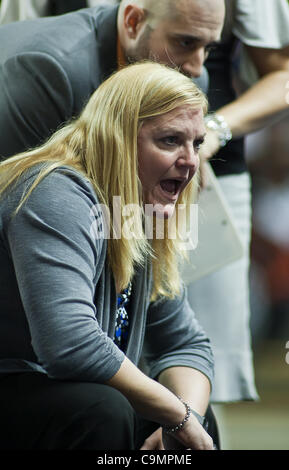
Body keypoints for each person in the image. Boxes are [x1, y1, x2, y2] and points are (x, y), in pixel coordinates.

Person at [0, 61, 216, 451]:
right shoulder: (54, 192)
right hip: (17, 384)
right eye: (170, 141)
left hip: (57, 395)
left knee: (191, 416)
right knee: (104, 408)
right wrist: (178, 416)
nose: (190, 162)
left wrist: (188, 418)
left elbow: (185, 345)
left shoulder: (138, 209)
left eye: (197, 143)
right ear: (117, 138)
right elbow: (70, 346)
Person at [187, 0, 289, 406]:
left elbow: (282, 76)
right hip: (97, 169)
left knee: (203, 360)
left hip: (210, 166)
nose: (194, 63)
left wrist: (214, 129)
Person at [0, 0, 225, 160]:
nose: (197, 68)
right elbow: (17, 200)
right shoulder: (50, 73)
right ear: (133, 21)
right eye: (185, 43)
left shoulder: (186, 78)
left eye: (209, 48)